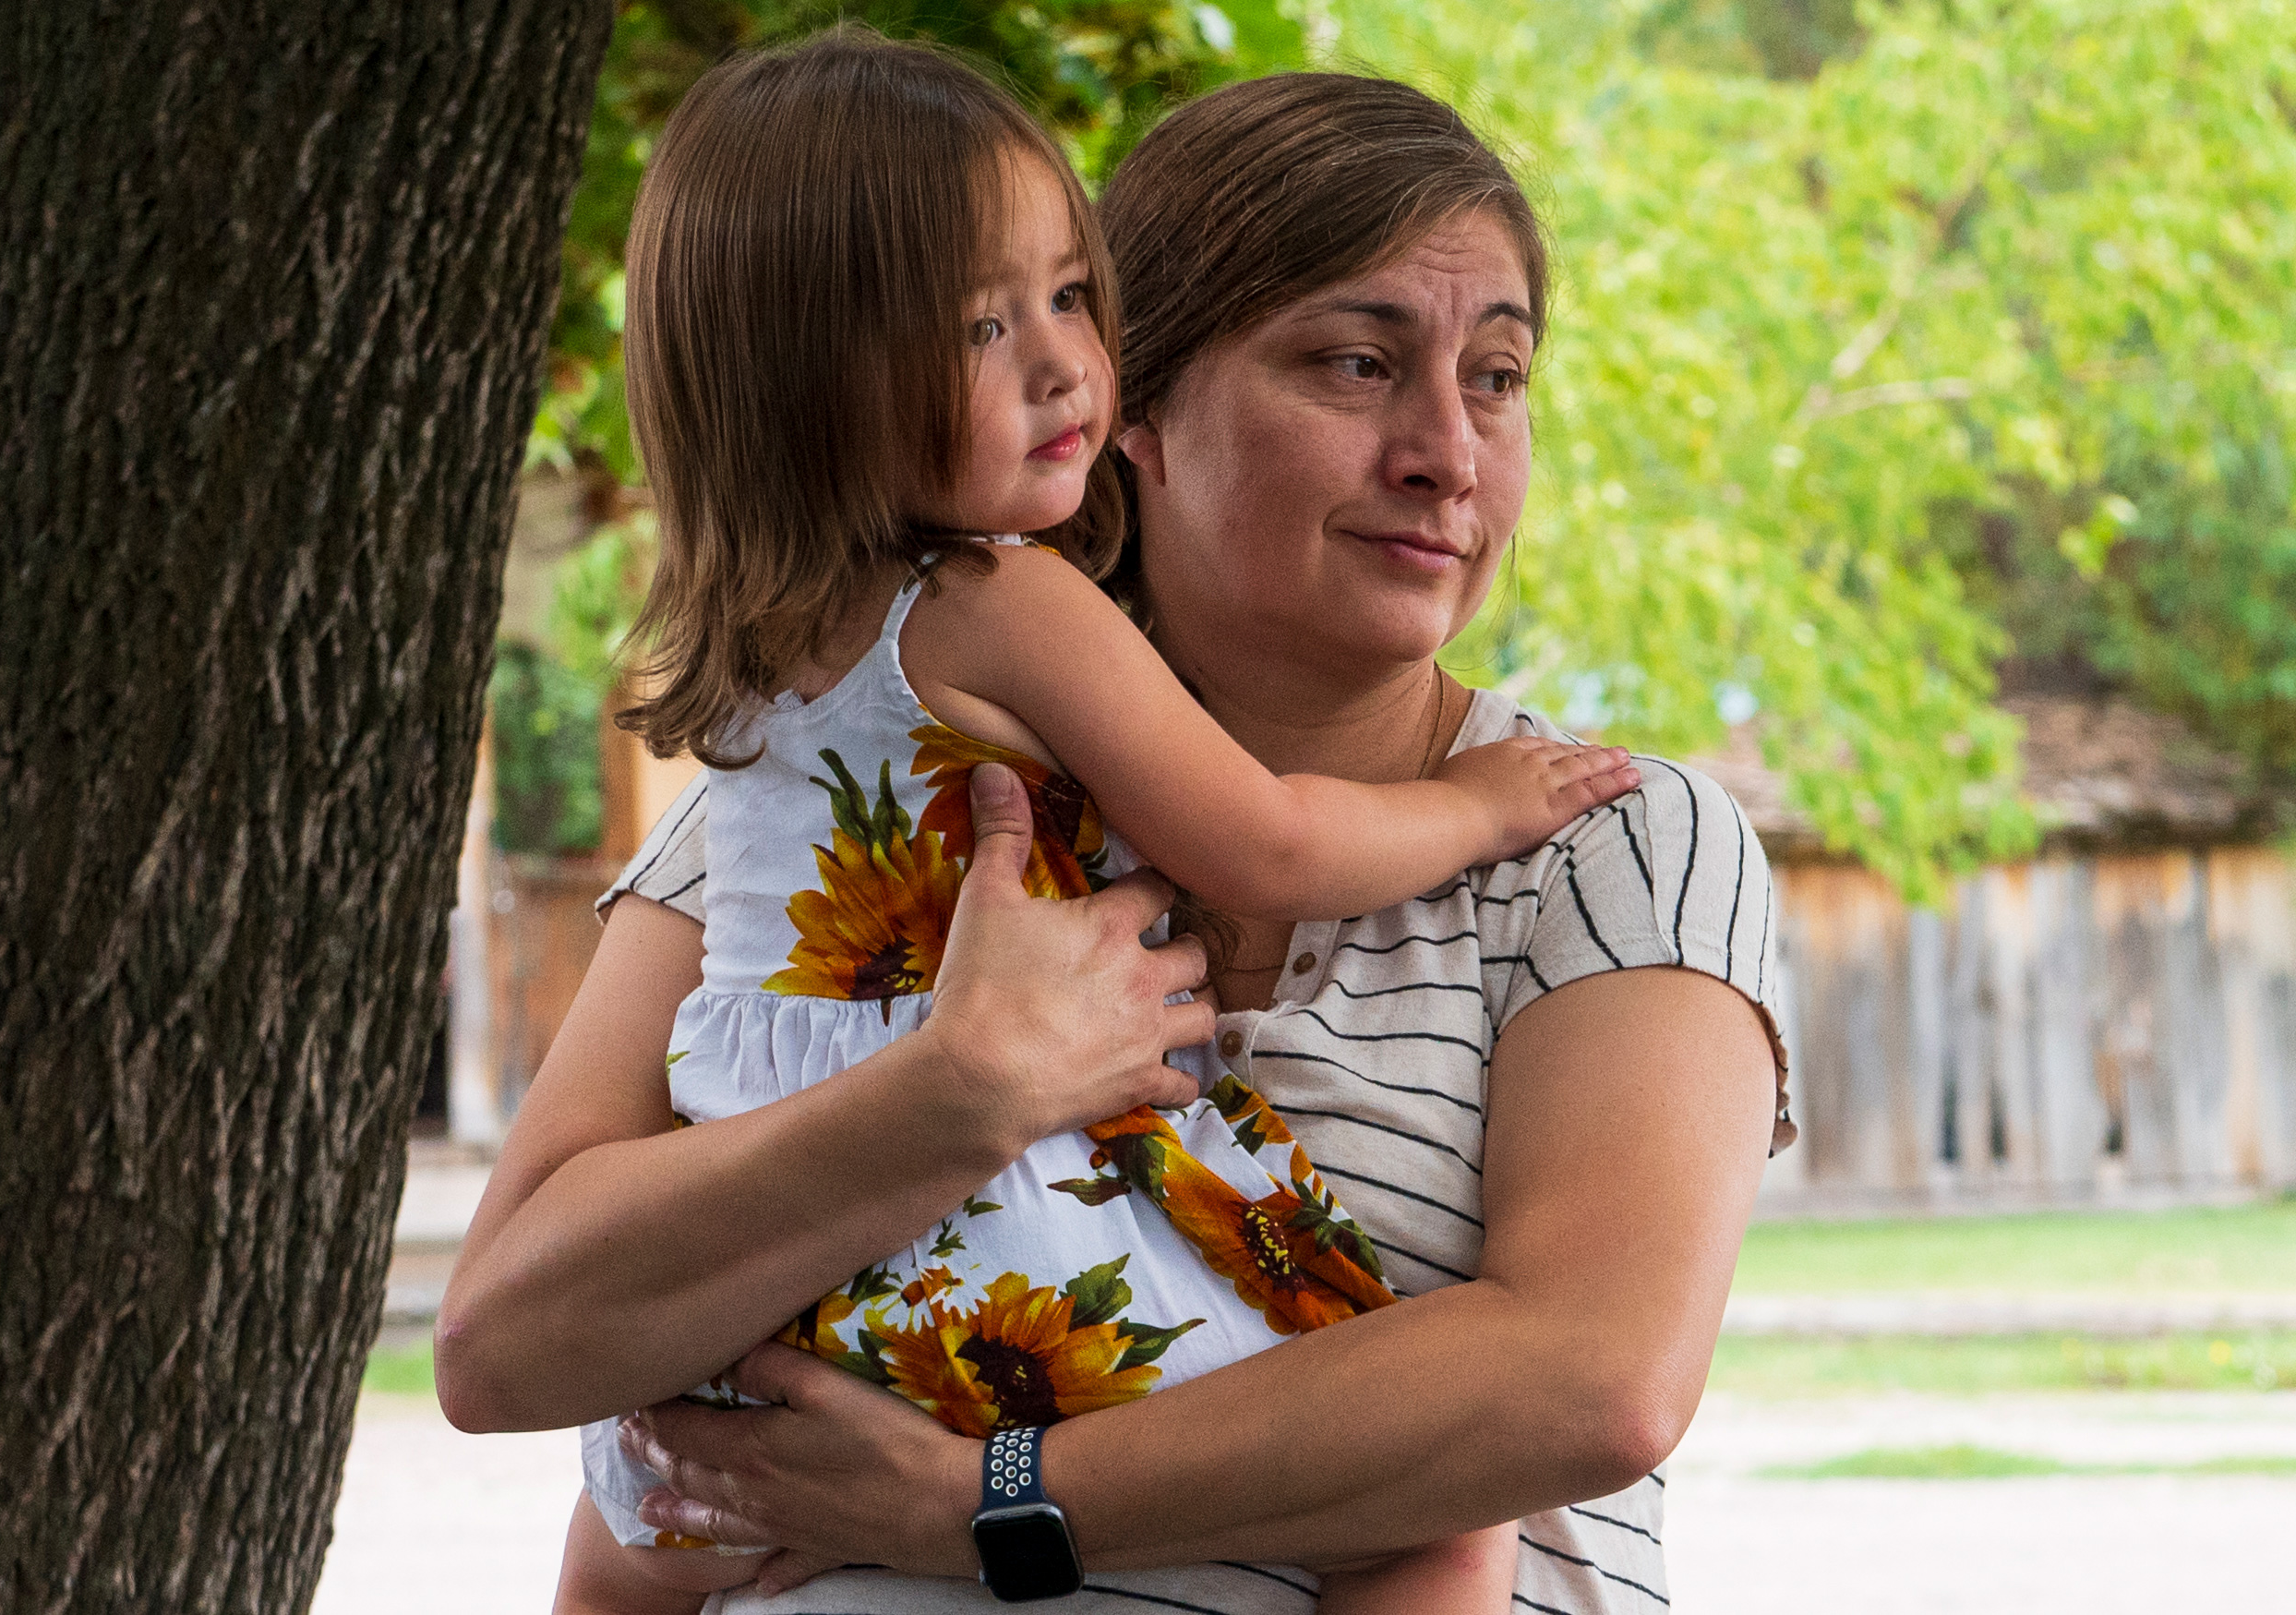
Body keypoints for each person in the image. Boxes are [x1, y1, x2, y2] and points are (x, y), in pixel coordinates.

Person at [435, 64, 1793, 1615]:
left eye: (1497, 375)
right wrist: (954, 1093)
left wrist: (982, 1503)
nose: (1448, 452)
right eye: (1357, 363)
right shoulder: (829, 797)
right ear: (1136, 405)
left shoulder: (1607, 835)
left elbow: (1589, 1383)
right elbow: (506, 1349)